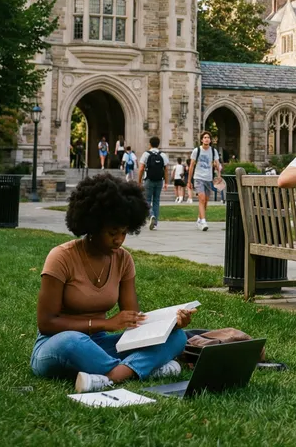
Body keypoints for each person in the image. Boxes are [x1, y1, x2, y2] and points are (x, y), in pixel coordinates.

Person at [31, 173, 193, 393]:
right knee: (73, 341)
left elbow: (132, 321)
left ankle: (110, 376)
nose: (118, 240)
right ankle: (139, 369)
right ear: (93, 225)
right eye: (112, 232)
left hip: (101, 347)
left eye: (124, 232)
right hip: (56, 346)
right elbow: (47, 323)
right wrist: (105, 324)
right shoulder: (61, 257)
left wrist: (170, 323)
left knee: (178, 338)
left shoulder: (123, 259)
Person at [187, 131, 222, 231]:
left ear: (210, 140)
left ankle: (199, 218)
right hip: (198, 178)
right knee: (201, 199)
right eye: (204, 137)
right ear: (202, 139)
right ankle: (203, 221)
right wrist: (189, 181)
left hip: (208, 178)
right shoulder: (196, 150)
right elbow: (191, 166)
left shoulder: (213, 151)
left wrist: (219, 176)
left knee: (206, 201)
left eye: (208, 138)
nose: (206, 139)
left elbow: (217, 164)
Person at [137, 137, 169, 231]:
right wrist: (166, 182)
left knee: (147, 200)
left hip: (148, 180)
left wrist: (139, 181)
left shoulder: (146, 154)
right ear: (158, 144)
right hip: (159, 180)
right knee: (156, 200)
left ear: (150, 144)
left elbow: (141, 169)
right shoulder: (163, 155)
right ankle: (155, 223)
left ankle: (151, 215)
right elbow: (166, 170)